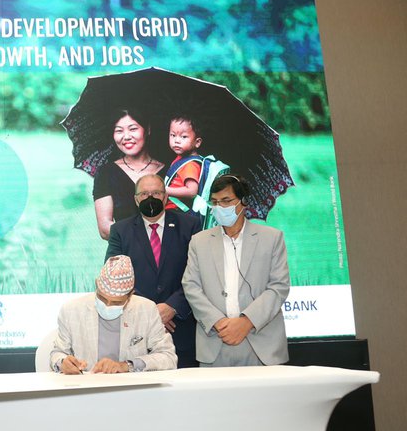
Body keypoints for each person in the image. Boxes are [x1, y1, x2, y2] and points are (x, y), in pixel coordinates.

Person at [182, 174, 290, 366]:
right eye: (214, 202)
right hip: (216, 341)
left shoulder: (271, 238)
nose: (219, 207)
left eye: (226, 201)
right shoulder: (199, 241)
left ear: (243, 202)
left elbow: (278, 287)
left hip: (261, 344)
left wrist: (246, 322)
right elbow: (191, 286)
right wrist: (218, 322)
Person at [106, 174, 202, 368]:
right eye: (144, 194)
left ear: (166, 197)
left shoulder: (190, 225)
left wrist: (172, 306)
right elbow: (113, 276)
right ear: (136, 199)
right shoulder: (120, 231)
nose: (150, 198)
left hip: (181, 328)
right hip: (137, 330)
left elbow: (198, 274)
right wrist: (152, 312)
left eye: (156, 193)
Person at [50, 255, 177, 374]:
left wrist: (126, 366)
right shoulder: (71, 310)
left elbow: (168, 357)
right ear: (96, 285)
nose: (108, 305)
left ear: (130, 295)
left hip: (130, 390)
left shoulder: (146, 310)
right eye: (103, 299)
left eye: (116, 302)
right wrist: (63, 363)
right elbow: (58, 353)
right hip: (86, 389)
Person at [93, 108, 165, 240]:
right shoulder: (106, 172)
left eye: (133, 129)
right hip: (124, 254)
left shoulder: (169, 171)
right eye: (119, 131)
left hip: (167, 253)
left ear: (147, 130)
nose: (126, 137)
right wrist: (150, 233)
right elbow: (104, 229)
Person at [164, 115, 203, 212]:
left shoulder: (190, 165)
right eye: (173, 135)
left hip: (177, 211)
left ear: (197, 142)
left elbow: (191, 192)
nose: (176, 141)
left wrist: (164, 190)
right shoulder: (181, 159)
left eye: (183, 136)